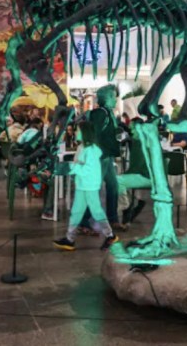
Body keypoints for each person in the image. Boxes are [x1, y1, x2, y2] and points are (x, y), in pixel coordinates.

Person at [53, 122, 119, 251]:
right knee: (77, 211)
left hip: (90, 185)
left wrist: (71, 167)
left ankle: (110, 235)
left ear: (85, 133)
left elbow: (87, 169)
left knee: (96, 211)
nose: (76, 132)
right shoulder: (82, 147)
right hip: (82, 184)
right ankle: (69, 239)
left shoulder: (92, 150)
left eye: (78, 130)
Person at [78, 85, 125, 233]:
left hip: (107, 156)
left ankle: (113, 219)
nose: (115, 99)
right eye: (112, 96)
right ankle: (83, 222)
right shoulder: (100, 113)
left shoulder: (109, 113)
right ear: (105, 98)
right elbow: (95, 134)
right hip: (101, 157)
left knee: (112, 186)